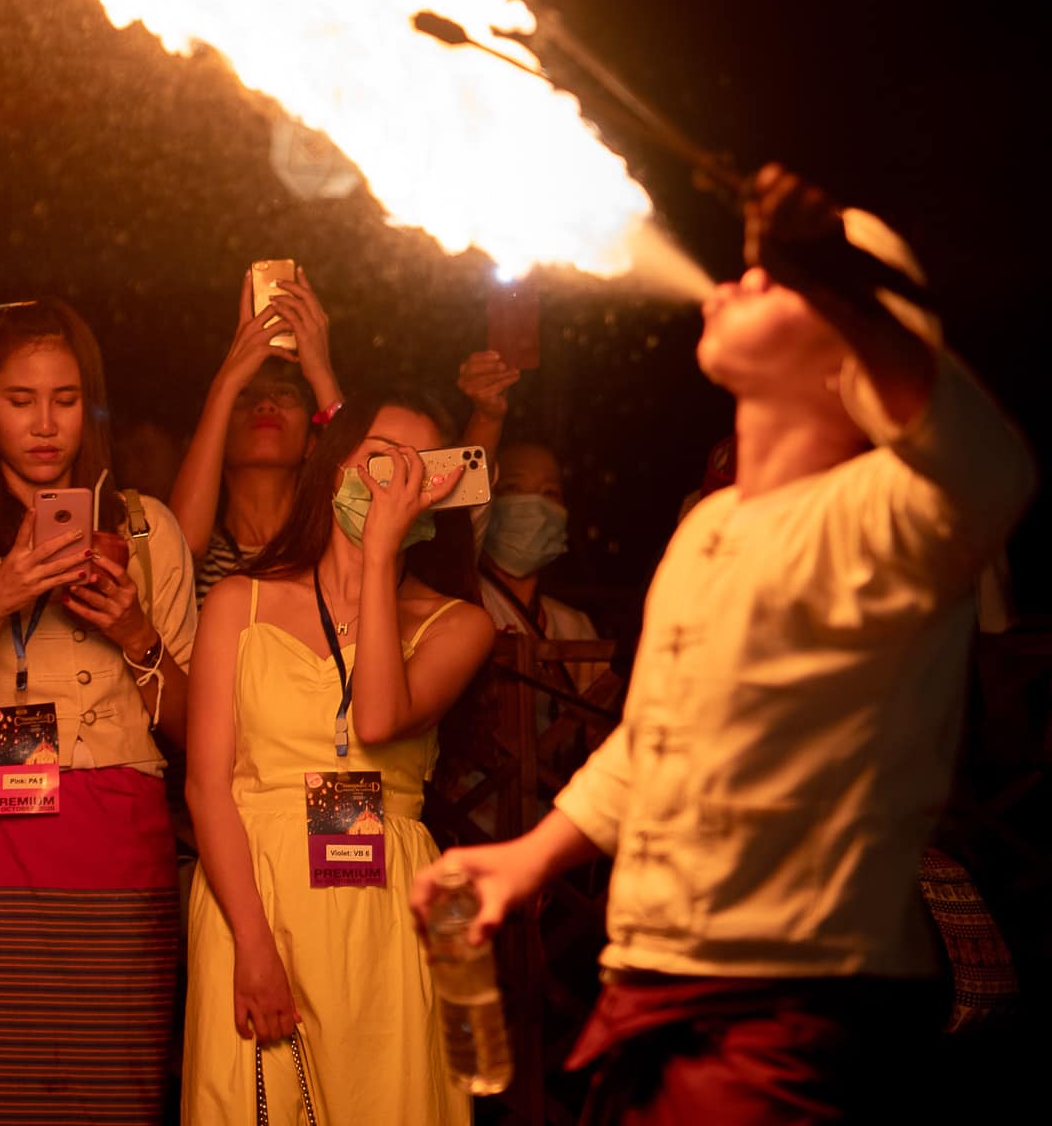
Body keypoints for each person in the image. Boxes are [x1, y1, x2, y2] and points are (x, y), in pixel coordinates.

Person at [412, 166, 1038, 1123]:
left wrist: (838, 276)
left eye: (781, 280)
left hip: (793, 1000)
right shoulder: (709, 531)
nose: (743, 276)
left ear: (849, 349)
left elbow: (992, 467)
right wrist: (530, 856)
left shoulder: (886, 514)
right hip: (654, 986)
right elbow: (664, 735)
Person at [0, 298, 197, 1125]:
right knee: (1, 1089)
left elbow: (196, 730)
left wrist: (135, 630)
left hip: (119, 830)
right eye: (19, 400)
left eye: (65, 400)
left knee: (117, 1085)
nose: (44, 424)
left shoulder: (144, 528)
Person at [182, 389, 496, 1126]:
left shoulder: (459, 623)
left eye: (416, 472)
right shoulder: (238, 602)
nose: (394, 483)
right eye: (379, 460)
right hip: (253, 894)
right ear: (332, 471)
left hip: (389, 909)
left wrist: (381, 553)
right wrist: (253, 950)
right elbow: (207, 789)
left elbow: (378, 716)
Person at [171, 268, 342, 598]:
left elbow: (367, 508)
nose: (265, 405)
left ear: (311, 441)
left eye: (286, 394)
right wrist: (227, 382)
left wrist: (321, 371)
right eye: (245, 396)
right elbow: (182, 550)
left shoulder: (335, 544)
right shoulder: (193, 552)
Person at [479, 439, 607, 699]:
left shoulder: (575, 626)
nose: (534, 506)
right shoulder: (465, 605)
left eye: (549, 492)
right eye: (513, 487)